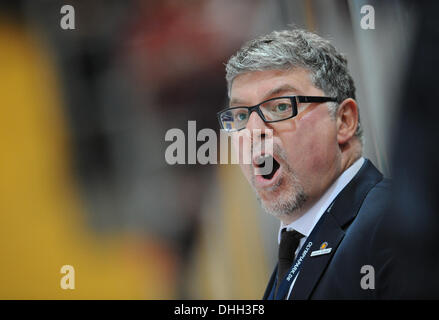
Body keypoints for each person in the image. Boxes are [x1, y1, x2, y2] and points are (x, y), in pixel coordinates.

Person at [217, 28, 398, 299]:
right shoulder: (293, 250)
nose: (253, 131)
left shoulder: (393, 223)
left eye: (280, 107)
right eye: (241, 115)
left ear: (344, 121)